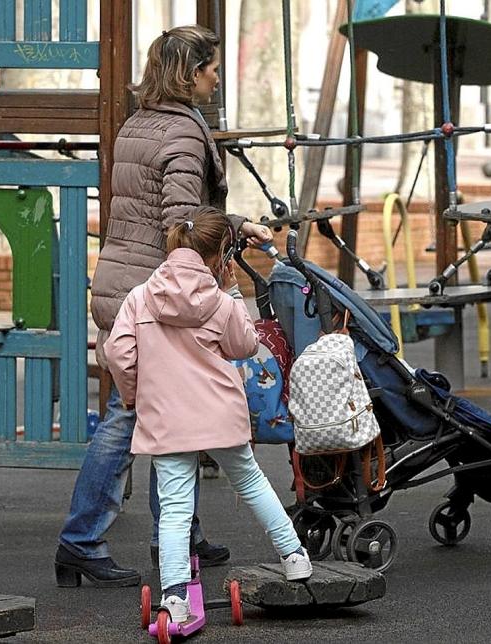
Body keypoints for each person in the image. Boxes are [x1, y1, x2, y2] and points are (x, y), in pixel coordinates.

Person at [54, 24, 273, 588]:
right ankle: (82, 539)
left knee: (167, 408)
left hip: (121, 278)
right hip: (154, 291)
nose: (217, 77)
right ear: (190, 73)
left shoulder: (137, 123)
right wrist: (239, 227)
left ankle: (175, 532)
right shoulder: (181, 134)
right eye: (212, 68)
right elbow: (181, 223)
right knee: (129, 417)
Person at [105, 208, 312, 622]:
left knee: (175, 505)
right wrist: (235, 296)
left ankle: (176, 596)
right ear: (218, 254)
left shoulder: (140, 297)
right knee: (252, 482)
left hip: (166, 419)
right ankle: (294, 557)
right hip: (219, 415)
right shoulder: (219, 302)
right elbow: (247, 345)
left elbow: (119, 353)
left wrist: (132, 396)